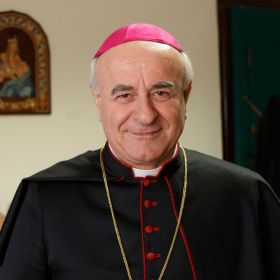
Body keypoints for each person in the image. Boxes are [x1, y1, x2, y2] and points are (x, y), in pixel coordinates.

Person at [0, 23, 279, 280]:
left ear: (186, 96)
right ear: (99, 101)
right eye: (124, 95)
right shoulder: (44, 196)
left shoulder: (246, 194)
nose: (145, 116)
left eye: (161, 93)